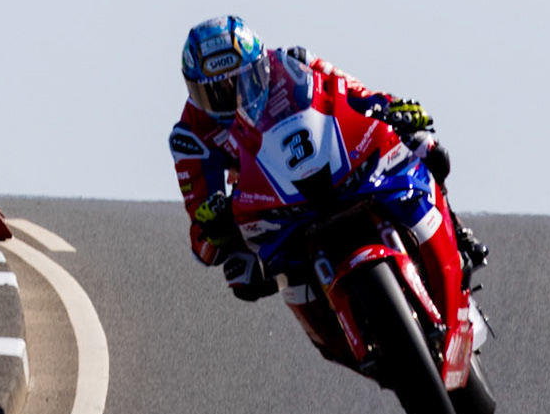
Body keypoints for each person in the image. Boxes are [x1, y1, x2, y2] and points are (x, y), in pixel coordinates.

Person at [169, 15, 487, 301]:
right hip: (270, 201)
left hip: (332, 162)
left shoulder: (295, 62)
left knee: (422, 145)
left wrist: (392, 107)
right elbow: (202, 239)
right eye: (214, 93)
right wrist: (213, 224)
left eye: (241, 83)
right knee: (241, 274)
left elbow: (355, 94)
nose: (231, 98)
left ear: (260, 68)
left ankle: (456, 231)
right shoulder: (191, 135)